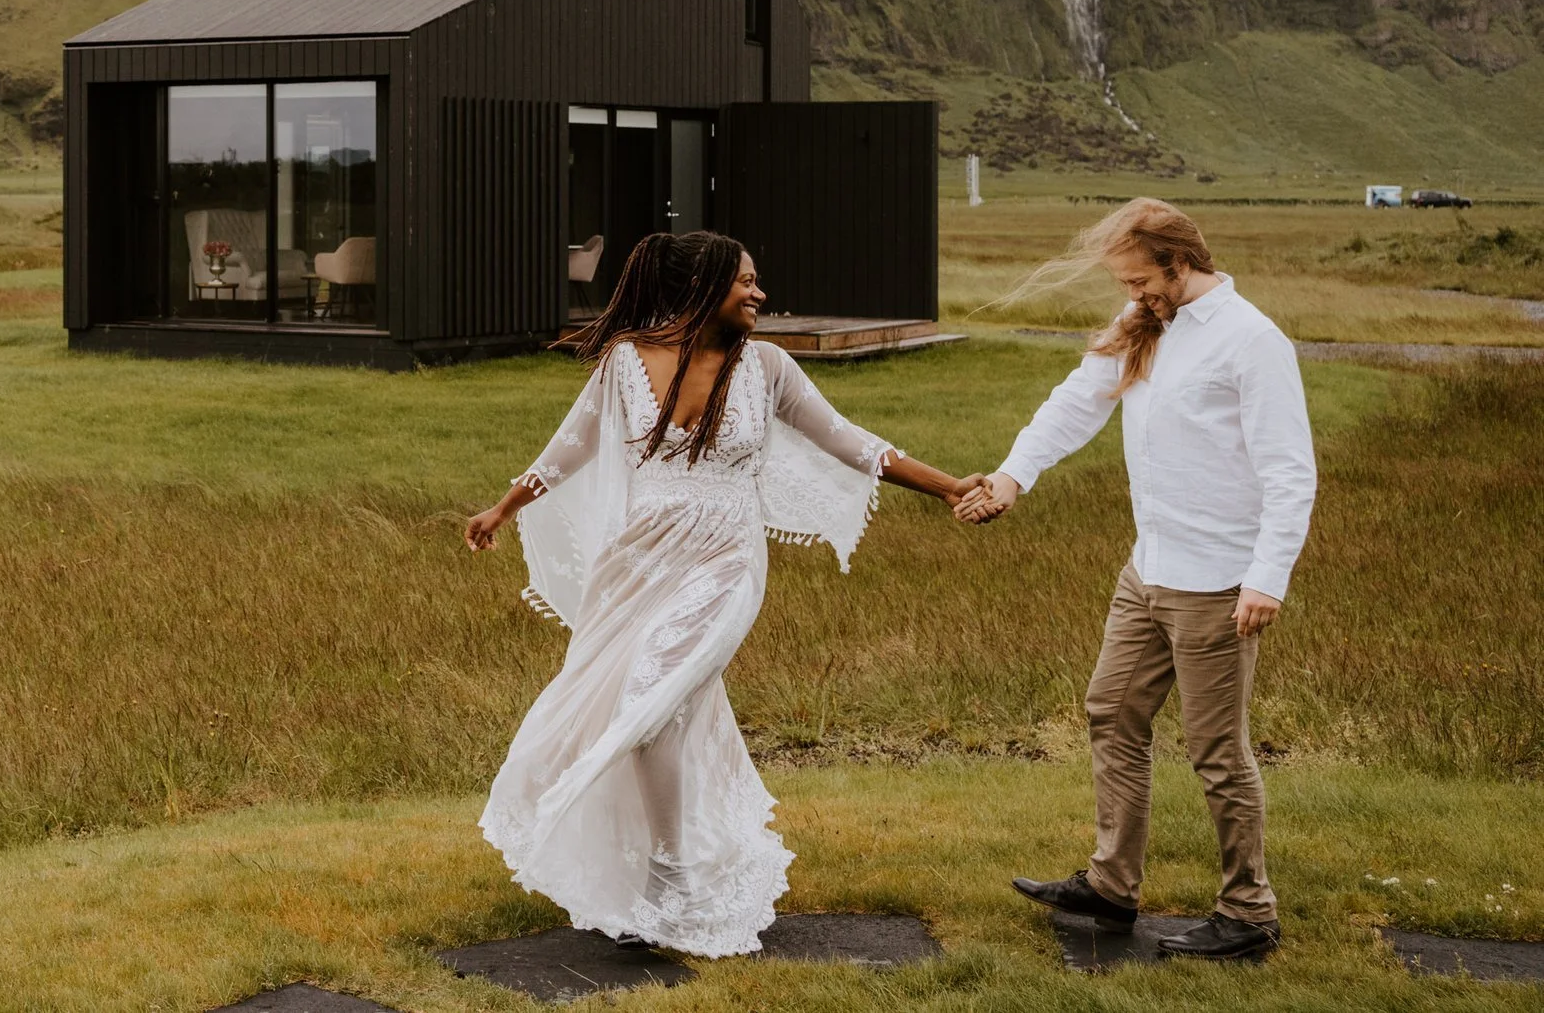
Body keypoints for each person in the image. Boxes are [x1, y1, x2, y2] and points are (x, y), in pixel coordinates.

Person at [464, 231, 981, 957]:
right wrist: (503, 506)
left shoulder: (767, 366)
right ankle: (655, 867)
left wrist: (950, 485)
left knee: (651, 702)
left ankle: (673, 871)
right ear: (704, 286)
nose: (760, 294)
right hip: (635, 566)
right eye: (746, 282)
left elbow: (851, 441)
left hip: (724, 562)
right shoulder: (624, 363)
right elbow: (570, 444)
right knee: (647, 715)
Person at [963, 199, 1315, 963]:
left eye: (1139, 278)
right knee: (1112, 710)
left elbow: (1291, 471)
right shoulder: (1141, 326)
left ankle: (1249, 911)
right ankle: (1112, 885)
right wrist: (1013, 476)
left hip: (1219, 581)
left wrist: (1267, 578)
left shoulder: (1253, 341)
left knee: (1218, 750)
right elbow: (1073, 403)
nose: (1132, 292)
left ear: (1178, 261)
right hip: (1147, 568)